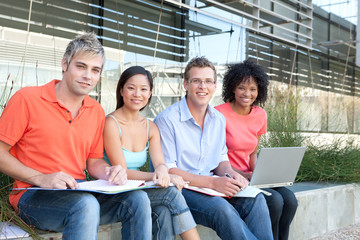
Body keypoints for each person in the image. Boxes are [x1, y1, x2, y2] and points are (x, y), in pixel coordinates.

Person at [0, 32, 153, 240]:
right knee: (85, 205)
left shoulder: (96, 111)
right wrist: (41, 178)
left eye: (95, 70)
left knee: (138, 200)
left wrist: (110, 172)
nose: (88, 76)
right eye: (81, 66)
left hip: (77, 191)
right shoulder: (27, 99)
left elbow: (94, 162)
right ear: (65, 64)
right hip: (32, 196)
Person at [154, 56, 273, 240]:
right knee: (222, 209)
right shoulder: (167, 120)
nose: (203, 86)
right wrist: (214, 183)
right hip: (182, 189)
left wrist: (231, 174)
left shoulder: (218, 119)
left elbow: (221, 159)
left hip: (211, 185)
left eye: (208, 81)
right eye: (196, 81)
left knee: (256, 200)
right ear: (185, 85)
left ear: (215, 86)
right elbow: (169, 169)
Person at [103, 66, 200, 240]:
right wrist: (157, 176)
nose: (137, 94)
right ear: (121, 90)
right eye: (131, 88)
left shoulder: (151, 127)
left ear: (150, 93)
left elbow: (160, 163)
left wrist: (162, 171)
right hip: (114, 192)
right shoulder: (111, 123)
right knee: (171, 194)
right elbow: (122, 172)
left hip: (137, 190)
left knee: (162, 211)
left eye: (143, 89)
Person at [215, 59, 298, 240]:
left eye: (253, 89)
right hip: (229, 177)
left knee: (290, 200)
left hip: (252, 177)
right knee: (275, 201)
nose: (247, 93)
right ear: (232, 88)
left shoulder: (260, 114)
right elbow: (215, 159)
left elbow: (252, 153)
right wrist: (246, 176)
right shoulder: (218, 114)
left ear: (259, 91)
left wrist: (261, 173)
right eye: (242, 88)